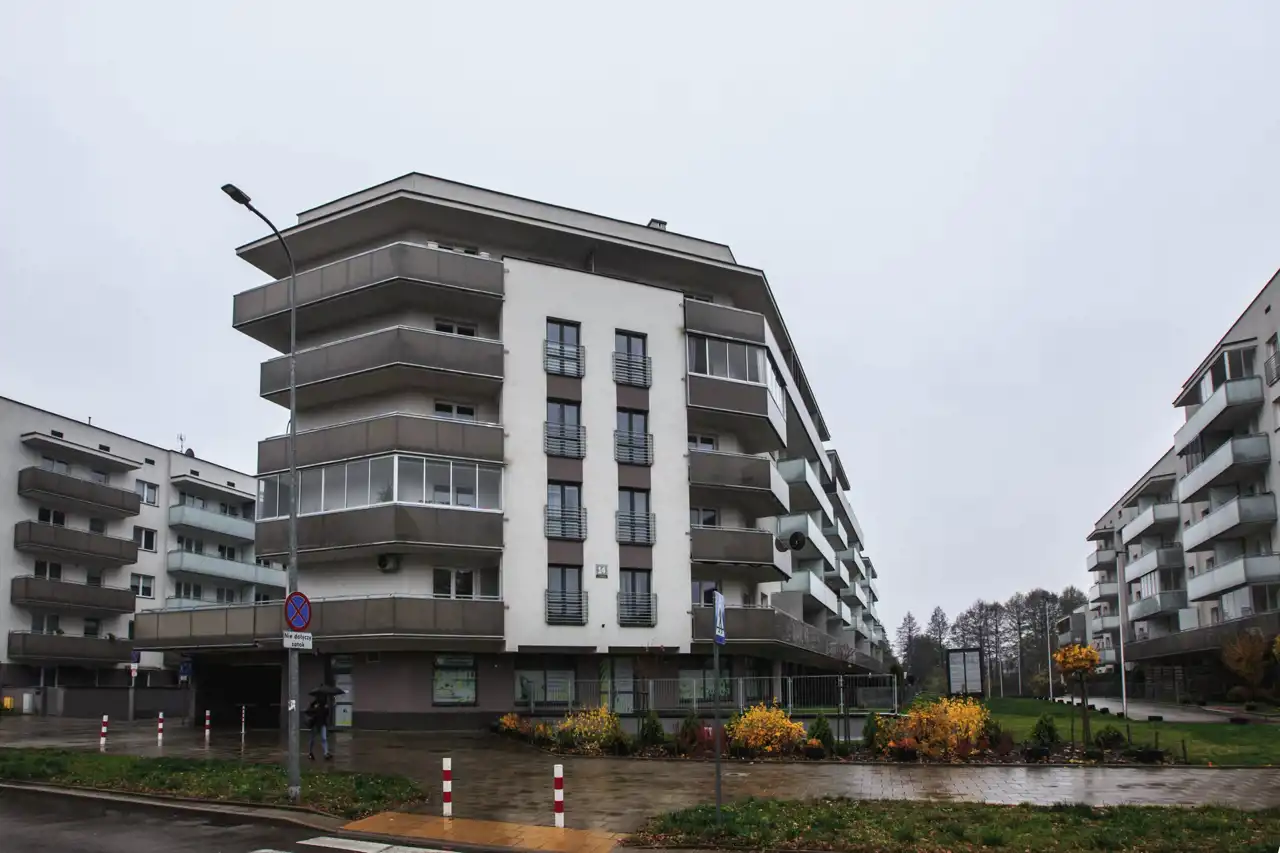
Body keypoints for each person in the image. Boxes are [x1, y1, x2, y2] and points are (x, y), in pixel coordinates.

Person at [305, 692, 332, 760]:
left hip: (322, 723)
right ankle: (310, 752)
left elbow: (327, 714)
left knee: (324, 738)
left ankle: (326, 753)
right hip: (315, 724)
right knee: (312, 739)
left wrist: (326, 708)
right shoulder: (314, 704)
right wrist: (315, 709)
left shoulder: (325, 705)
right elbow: (308, 712)